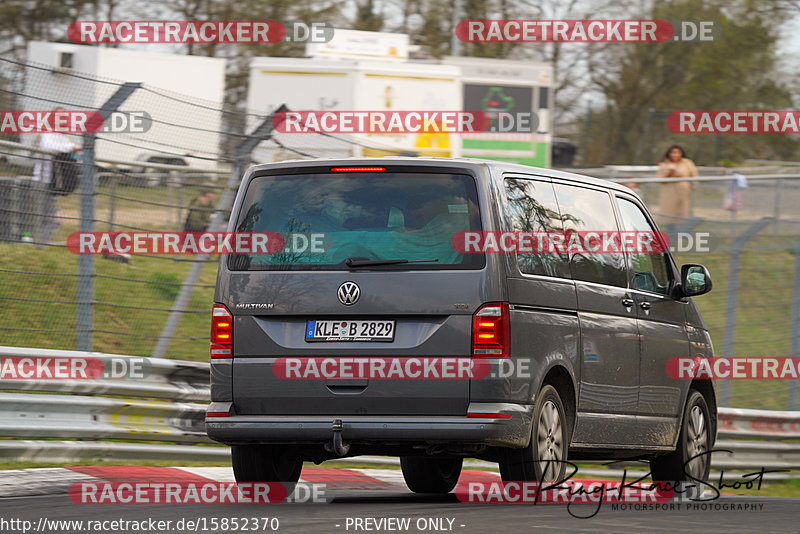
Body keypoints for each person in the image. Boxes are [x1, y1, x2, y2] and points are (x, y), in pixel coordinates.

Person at [31, 109, 81, 249]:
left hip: (50, 185)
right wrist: (70, 147)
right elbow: (48, 146)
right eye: (60, 116)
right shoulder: (47, 134)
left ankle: (37, 245)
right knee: (52, 220)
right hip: (40, 183)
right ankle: (38, 247)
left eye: (65, 116)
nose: (64, 119)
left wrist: (71, 148)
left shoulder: (63, 137)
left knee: (49, 219)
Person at [657, 144, 698, 228]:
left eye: (677, 152)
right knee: (669, 213)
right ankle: (670, 233)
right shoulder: (664, 164)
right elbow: (661, 180)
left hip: (683, 191)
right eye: (673, 152)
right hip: (669, 192)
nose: (675, 154)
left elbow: (694, 175)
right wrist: (670, 173)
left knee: (684, 212)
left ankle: (684, 232)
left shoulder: (687, 163)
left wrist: (693, 186)